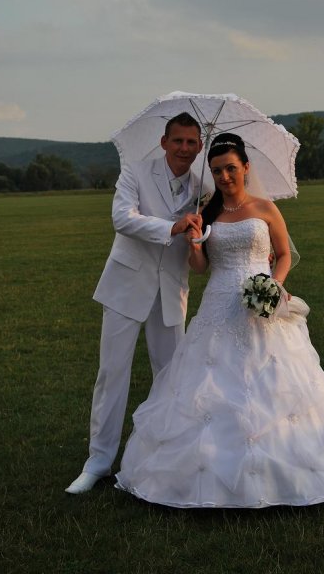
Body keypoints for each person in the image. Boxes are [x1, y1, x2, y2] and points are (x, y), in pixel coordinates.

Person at [115, 132, 324, 508]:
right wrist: (194, 243)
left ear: (246, 168)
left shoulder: (265, 208)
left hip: (262, 304)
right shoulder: (208, 213)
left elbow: (284, 254)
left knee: (274, 381)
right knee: (209, 383)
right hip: (219, 304)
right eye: (217, 170)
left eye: (231, 168)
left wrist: (273, 287)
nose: (224, 177)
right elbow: (201, 268)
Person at [65, 113, 204, 494]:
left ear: (200, 146)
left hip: (172, 290)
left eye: (192, 142)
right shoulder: (135, 172)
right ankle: (98, 461)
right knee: (112, 373)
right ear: (164, 142)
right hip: (126, 286)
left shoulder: (203, 188)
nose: (184, 148)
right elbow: (122, 219)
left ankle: (166, 454)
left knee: (171, 377)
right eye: (178, 141)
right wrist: (171, 226)